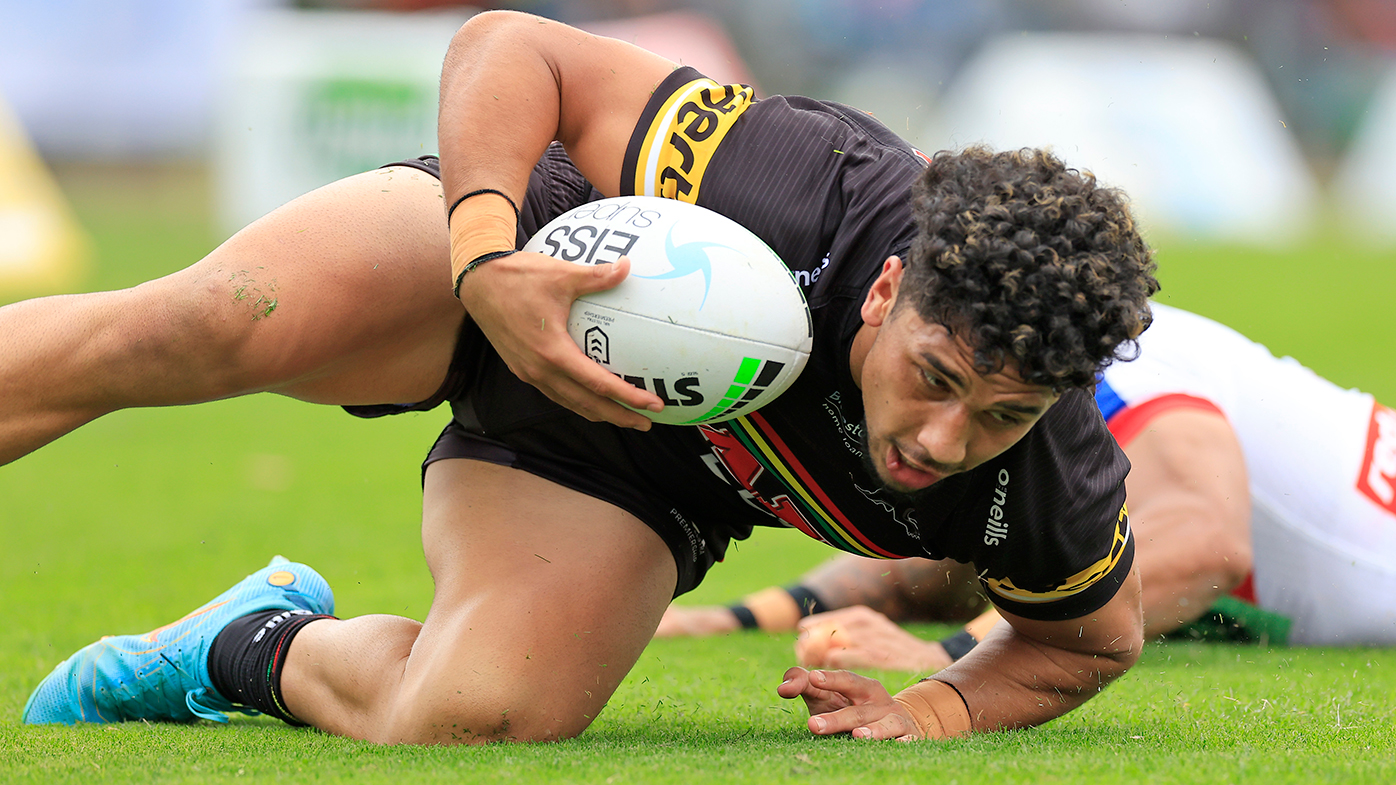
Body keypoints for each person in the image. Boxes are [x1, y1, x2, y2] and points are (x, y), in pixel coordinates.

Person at [12, 11, 1158, 744]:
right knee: (205, 321)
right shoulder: (805, 187)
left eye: (1003, 414)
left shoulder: (1046, 471)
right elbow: (511, 45)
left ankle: (237, 644)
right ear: (882, 289)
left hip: (629, 473)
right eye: (937, 376)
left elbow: (1091, 640)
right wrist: (487, 257)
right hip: (526, 263)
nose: (949, 440)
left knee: (471, 714)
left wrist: (938, 705)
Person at [660, 303, 1396, 672]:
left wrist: (952, 654)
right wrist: (738, 617)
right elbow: (955, 559)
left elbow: (1205, 546)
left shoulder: (1117, 364)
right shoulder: (1009, 366)